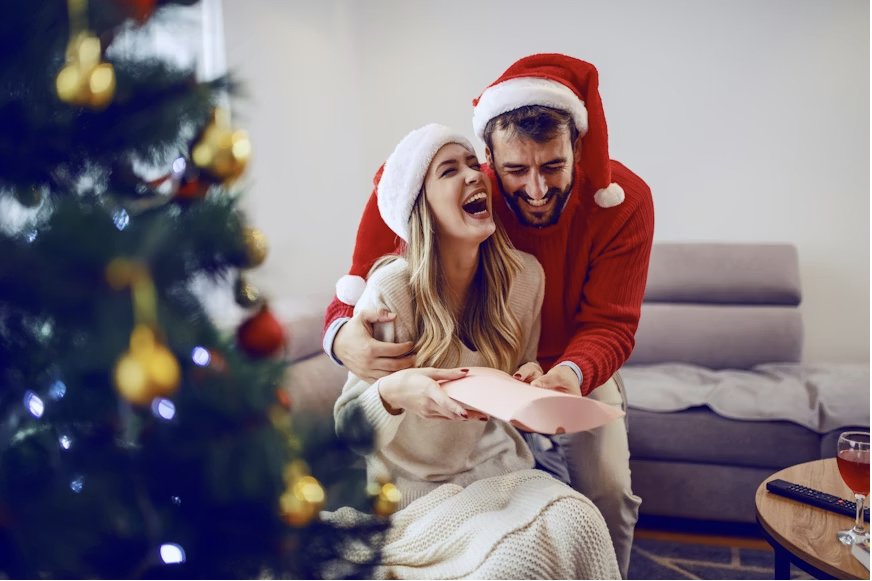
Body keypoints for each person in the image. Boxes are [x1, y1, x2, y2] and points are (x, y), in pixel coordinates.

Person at [324, 54, 654, 578]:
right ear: (490, 159)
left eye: (553, 166)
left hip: (567, 363)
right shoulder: (460, 190)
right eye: (516, 170)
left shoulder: (618, 205)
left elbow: (611, 324)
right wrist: (341, 336)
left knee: (607, 490)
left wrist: (564, 375)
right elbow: (361, 279)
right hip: (431, 447)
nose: (537, 189)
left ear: (578, 149)